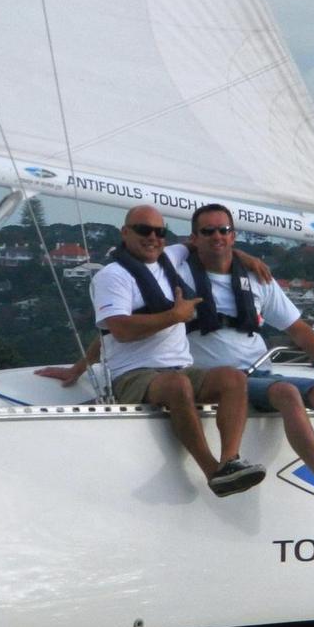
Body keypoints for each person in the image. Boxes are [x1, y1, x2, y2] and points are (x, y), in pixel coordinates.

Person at [177, 203, 314, 519]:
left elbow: (296, 327)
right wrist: (242, 255)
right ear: (194, 237)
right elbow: (163, 251)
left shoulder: (256, 278)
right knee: (286, 392)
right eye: (208, 231)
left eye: (224, 231)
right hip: (219, 378)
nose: (217, 237)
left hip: (260, 371)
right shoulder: (180, 272)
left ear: (233, 235)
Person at [68, 204, 265, 497]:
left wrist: (245, 257)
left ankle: (230, 461)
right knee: (178, 385)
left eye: (160, 232)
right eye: (143, 230)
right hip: (133, 374)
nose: (153, 237)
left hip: (179, 367)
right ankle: (212, 471)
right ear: (125, 233)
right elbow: (119, 329)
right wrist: (175, 316)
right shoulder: (112, 276)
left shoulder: (170, 256)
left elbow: (208, 242)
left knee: (233, 379)